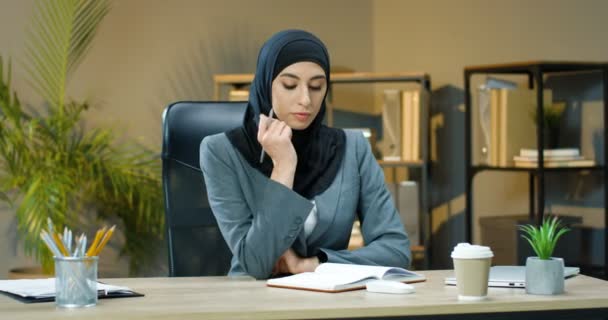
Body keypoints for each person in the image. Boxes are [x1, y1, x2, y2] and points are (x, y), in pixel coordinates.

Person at [200, 29, 411, 280]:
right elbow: (257, 263)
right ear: (266, 85)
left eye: (316, 86)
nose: (306, 100)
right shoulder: (220, 152)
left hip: (330, 300)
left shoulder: (353, 148)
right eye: (290, 85)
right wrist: (284, 166)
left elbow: (397, 251)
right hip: (254, 303)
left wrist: (314, 264)